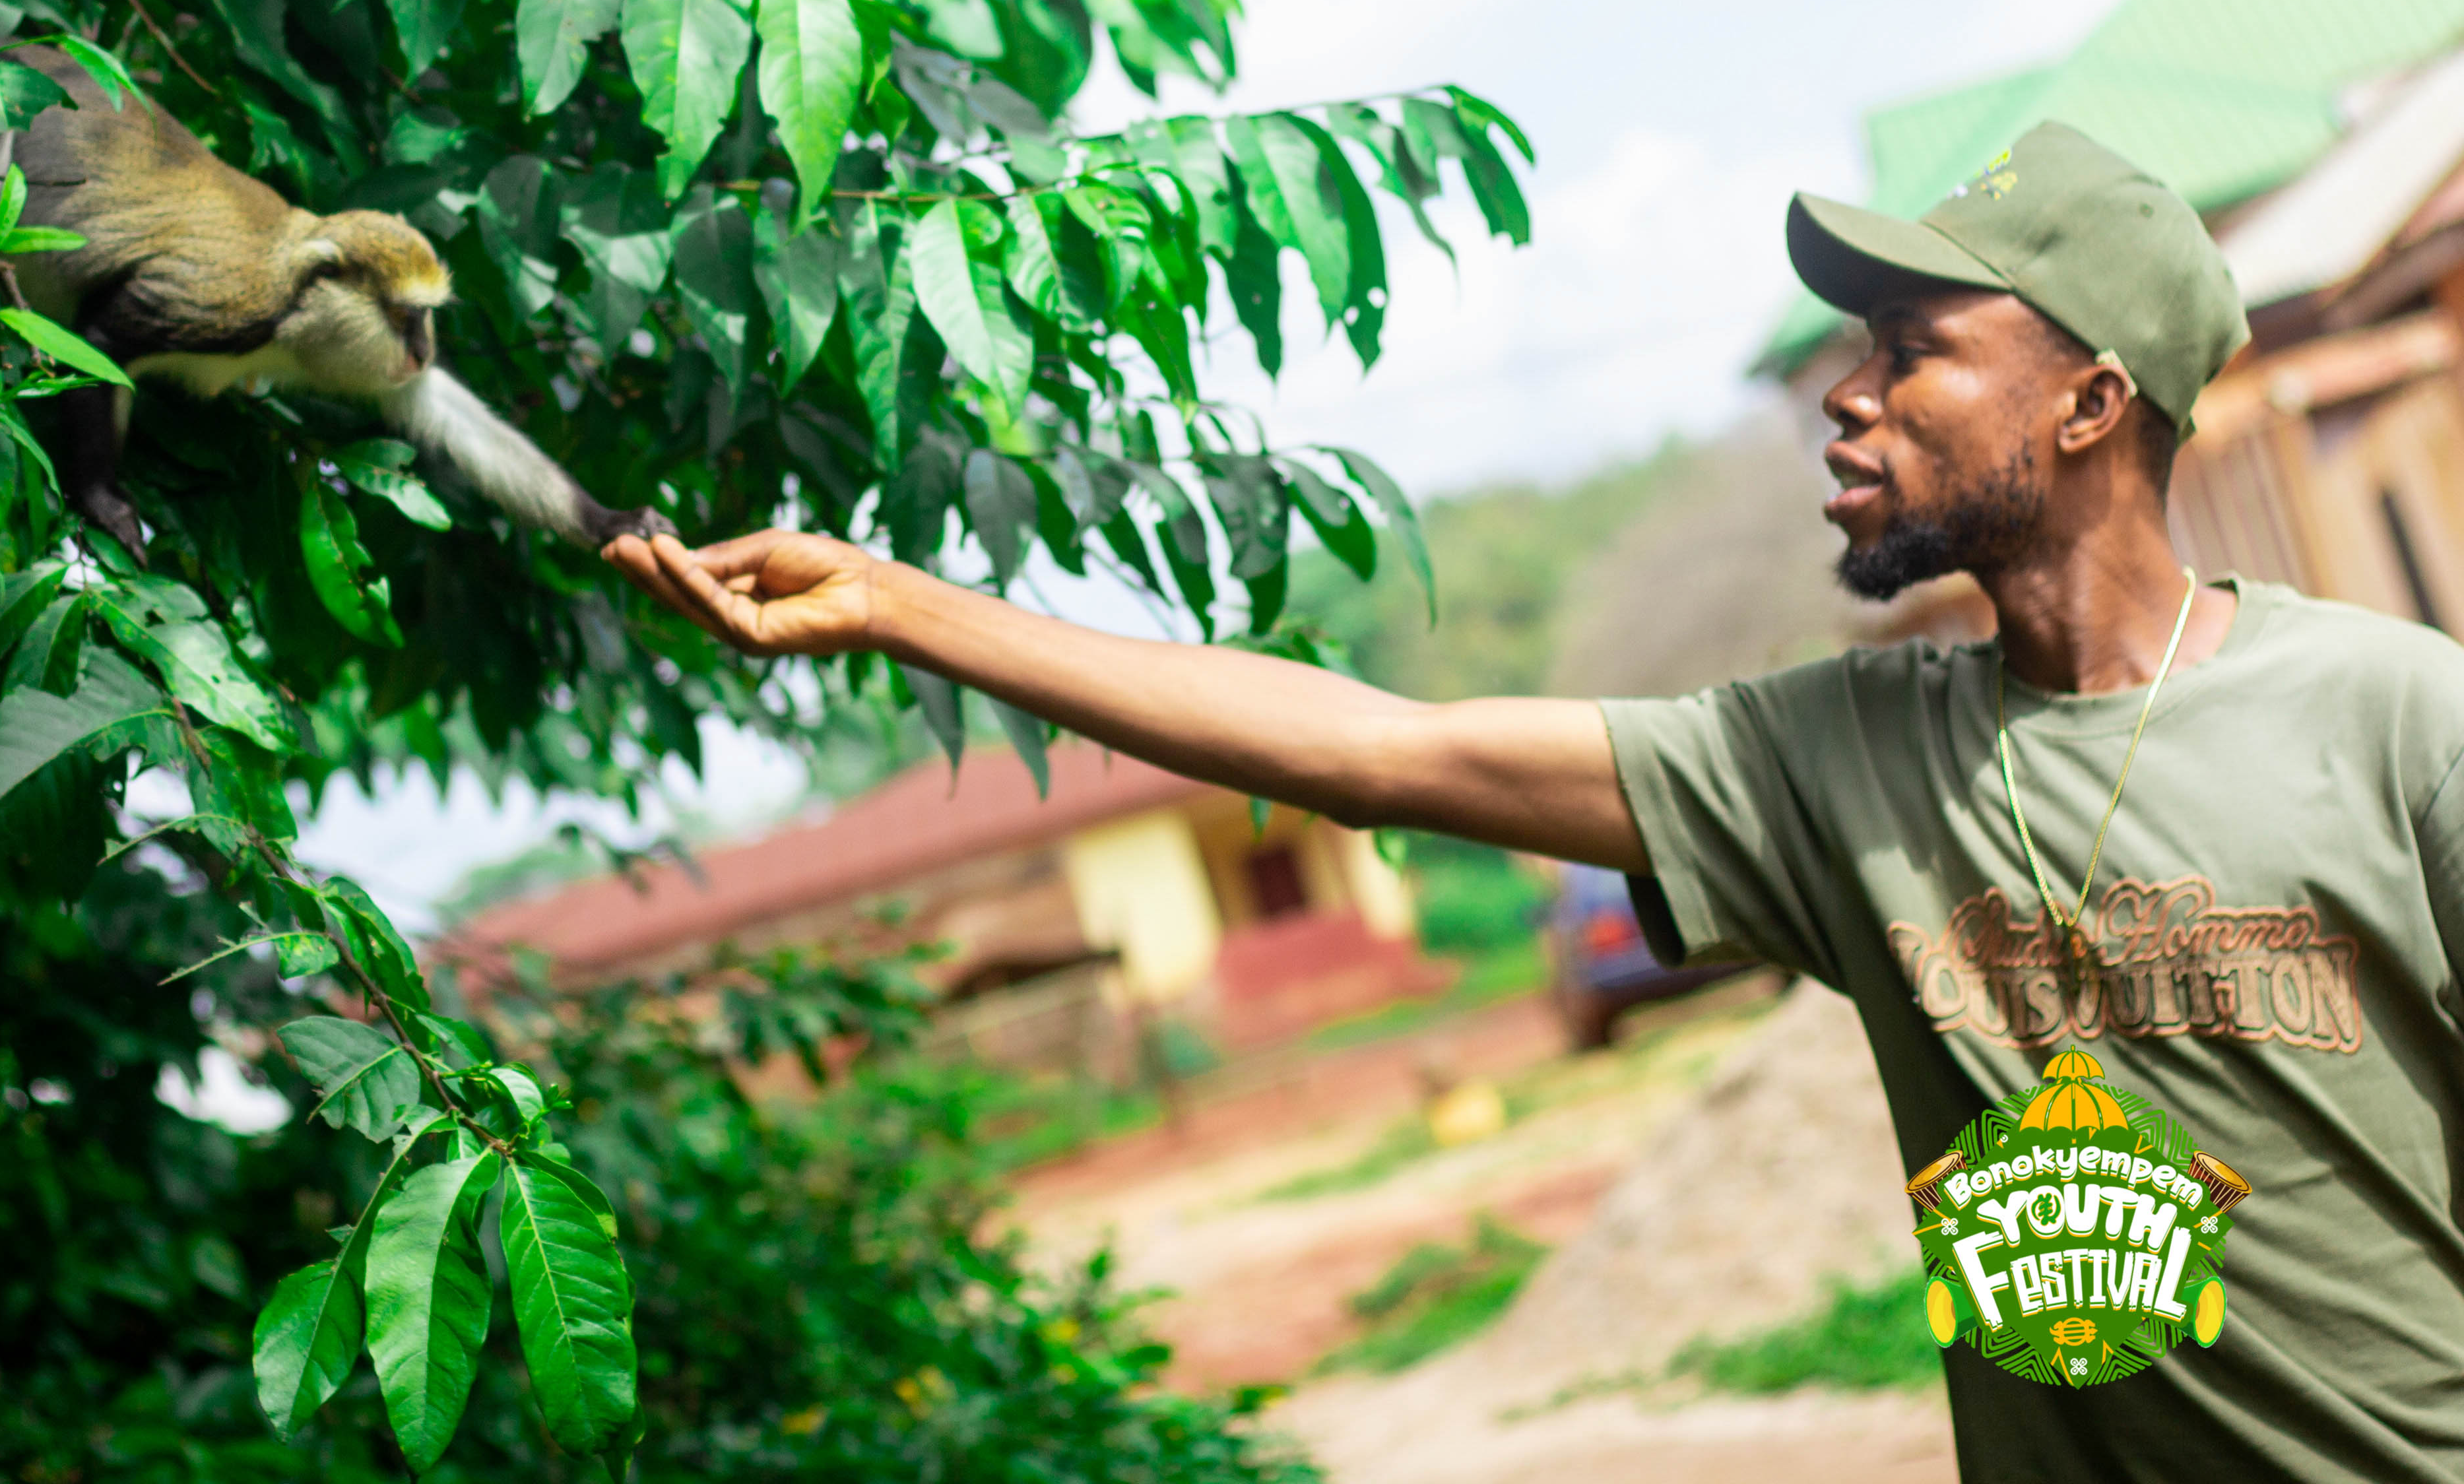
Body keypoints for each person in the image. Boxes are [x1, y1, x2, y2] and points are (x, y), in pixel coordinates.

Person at [610, 121, 2464, 1483]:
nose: (1848, 397)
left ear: (2087, 403)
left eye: (1913, 351)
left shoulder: (2397, 725)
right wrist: (901, 606)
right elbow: (1380, 752)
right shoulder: (1835, 759)